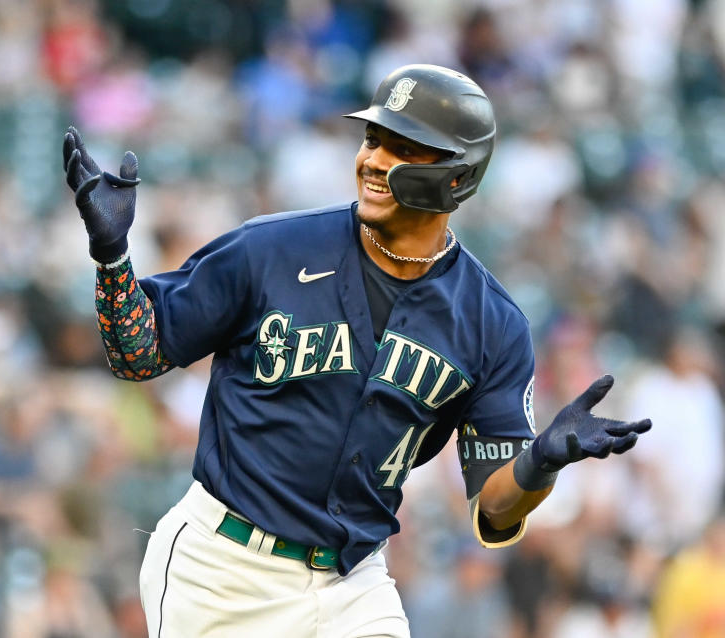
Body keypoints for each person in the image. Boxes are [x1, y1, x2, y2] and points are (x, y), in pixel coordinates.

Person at [61, 64, 652, 637]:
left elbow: (495, 510)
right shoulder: (270, 249)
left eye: (402, 147)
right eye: (372, 138)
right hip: (224, 571)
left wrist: (539, 464)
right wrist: (113, 261)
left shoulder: (490, 323)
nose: (373, 159)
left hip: (353, 584)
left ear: (456, 175)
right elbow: (137, 353)